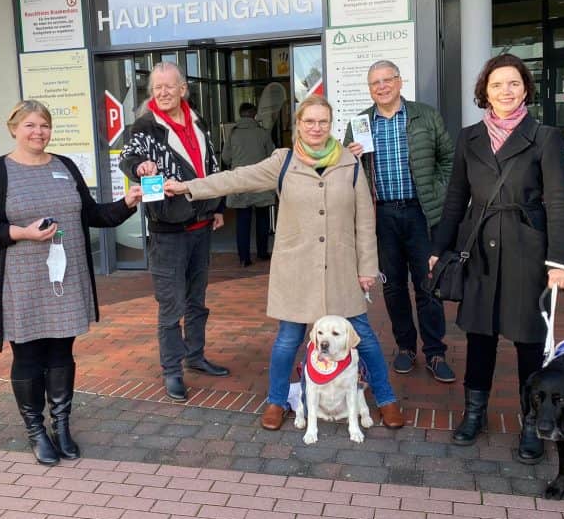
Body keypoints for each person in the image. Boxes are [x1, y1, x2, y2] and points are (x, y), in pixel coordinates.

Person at [165, 95, 405, 431]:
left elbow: (365, 220)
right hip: (296, 271)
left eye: (323, 121)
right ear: (298, 125)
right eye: (309, 121)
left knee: (362, 336)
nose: (316, 128)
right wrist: (188, 187)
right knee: (287, 341)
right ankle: (276, 401)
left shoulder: (350, 164)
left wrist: (367, 267)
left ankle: (386, 399)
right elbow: (236, 178)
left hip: (340, 269)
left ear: (331, 124)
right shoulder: (284, 161)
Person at [0, 100, 142, 465]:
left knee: (62, 353)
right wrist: (22, 233)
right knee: (29, 355)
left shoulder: (64, 166)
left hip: (64, 278)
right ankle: (36, 430)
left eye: (44, 125)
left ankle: (61, 425)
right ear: (14, 128)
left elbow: (92, 213)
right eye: (30, 125)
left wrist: (127, 203)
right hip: (22, 282)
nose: (38, 132)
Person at [429, 53, 564, 464]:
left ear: (525, 88)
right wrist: (439, 249)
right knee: (479, 336)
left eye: (513, 83)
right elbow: (456, 198)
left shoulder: (544, 137)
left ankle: (533, 423)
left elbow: (559, 202)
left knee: (529, 340)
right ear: (484, 92)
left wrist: (560, 261)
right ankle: (475, 413)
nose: (505, 91)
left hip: (528, 251)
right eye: (496, 85)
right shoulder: (468, 137)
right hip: (479, 248)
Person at [119, 62, 229, 402]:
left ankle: (195, 356)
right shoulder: (145, 126)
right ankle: (172, 370)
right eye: (156, 88)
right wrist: (140, 166)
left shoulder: (198, 120)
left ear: (183, 89)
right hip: (168, 231)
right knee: (171, 305)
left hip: (201, 226)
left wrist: (219, 208)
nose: (162, 93)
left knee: (197, 301)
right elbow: (128, 156)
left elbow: (212, 166)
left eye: (169, 87)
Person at [344, 60, 456, 383]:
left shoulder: (425, 115)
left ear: (399, 81)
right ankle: (406, 347)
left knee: (427, 283)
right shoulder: (360, 123)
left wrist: (438, 191)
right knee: (392, 286)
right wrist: (349, 157)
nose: (381, 87)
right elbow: (344, 169)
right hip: (382, 216)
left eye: (386, 80)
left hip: (420, 213)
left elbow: (447, 158)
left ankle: (435, 352)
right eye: (374, 83)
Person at [222, 102, 275, 266]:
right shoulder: (263, 133)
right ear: (254, 115)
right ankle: (262, 252)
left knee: (242, 221)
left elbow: (225, 158)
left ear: (240, 114)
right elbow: (272, 156)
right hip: (260, 181)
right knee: (262, 219)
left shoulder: (233, 134)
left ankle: (244, 258)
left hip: (241, 182)